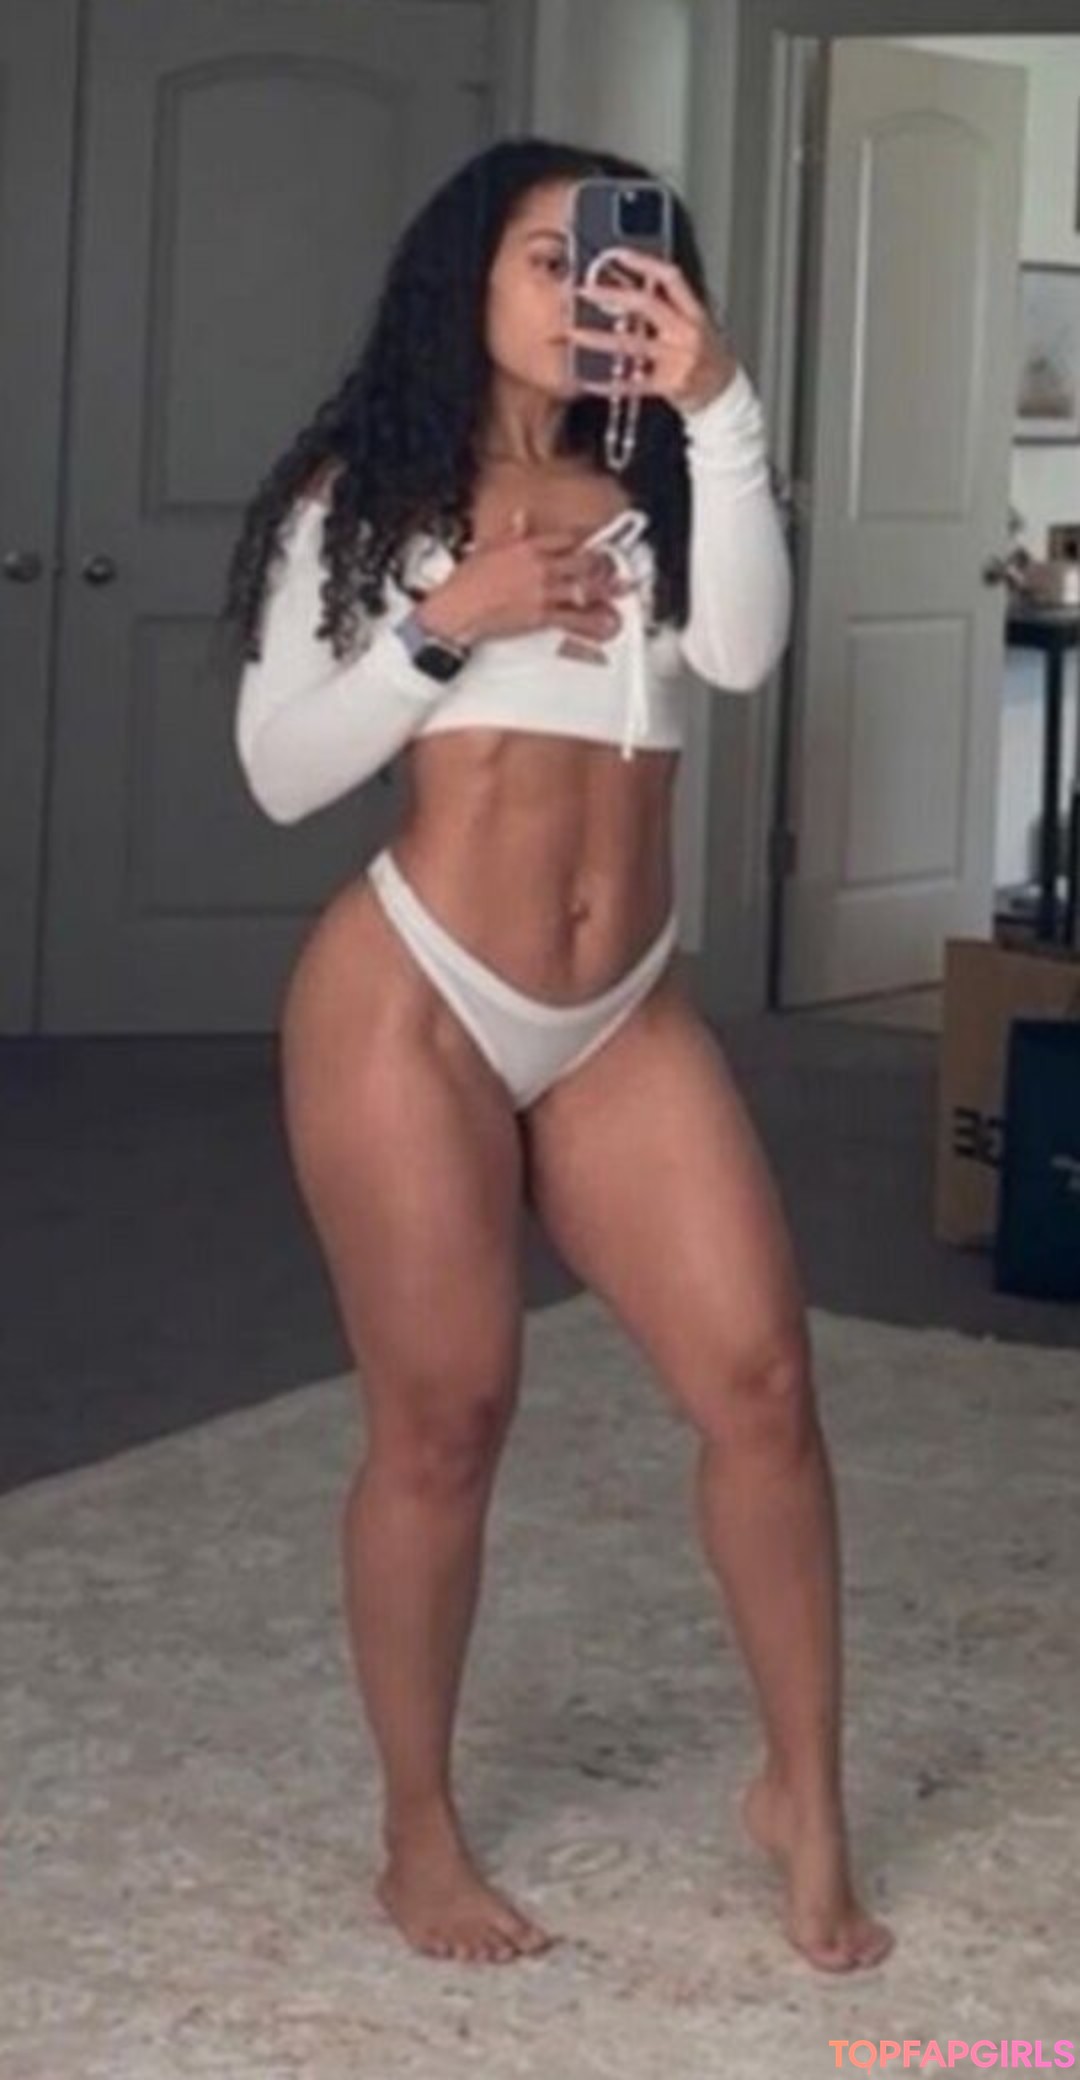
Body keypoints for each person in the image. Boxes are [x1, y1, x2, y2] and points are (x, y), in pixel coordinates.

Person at [221, 136, 893, 1976]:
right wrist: (451, 625)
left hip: (622, 1009)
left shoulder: (666, 478)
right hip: (415, 999)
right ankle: (418, 1833)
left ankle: (804, 1798)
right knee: (445, 1419)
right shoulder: (371, 497)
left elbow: (740, 654)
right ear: (467, 280)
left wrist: (721, 404)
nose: (588, 291)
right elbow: (279, 769)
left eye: (618, 263)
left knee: (764, 1384)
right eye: (548, 257)